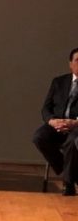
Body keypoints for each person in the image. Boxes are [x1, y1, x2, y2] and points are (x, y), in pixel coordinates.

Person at [33, 47, 78, 196]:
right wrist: (52, 121)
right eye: (77, 60)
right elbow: (46, 108)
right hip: (57, 125)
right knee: (39, 137)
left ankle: (69, 184)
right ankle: (71, 173)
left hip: (76, 127)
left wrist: (75, 123)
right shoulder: (58, 82)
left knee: (73, 142)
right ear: (70, 64)